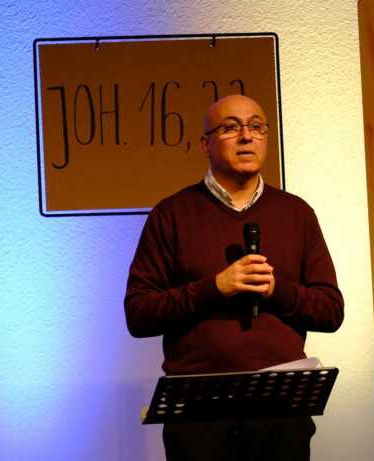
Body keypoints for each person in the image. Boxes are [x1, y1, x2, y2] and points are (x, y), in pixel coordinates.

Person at [124, 94, 344, 460]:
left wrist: (276, 290)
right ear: (205, 144)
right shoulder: (172, 215)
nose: (246, 136)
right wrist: (214, 287)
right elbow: (139, 313)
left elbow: (331, 310)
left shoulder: (297, 214)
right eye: (230, 127)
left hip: (280, 413)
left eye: (256, 127)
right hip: (198, 418)